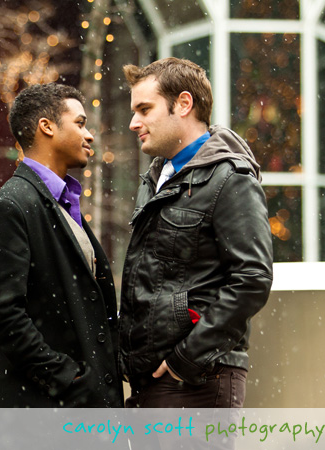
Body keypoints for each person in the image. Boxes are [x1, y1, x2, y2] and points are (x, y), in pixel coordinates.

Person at [118, 57, 273, 408]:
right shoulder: (158, 178)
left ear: (184, 104)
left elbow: (252, 278)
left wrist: (183, 361)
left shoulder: (230, 178)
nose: (133, 122)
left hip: (198, 382)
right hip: (153, 382)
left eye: (144, 109)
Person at [0, 83, 123, 408]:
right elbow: (1, 313)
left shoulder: (60, 204)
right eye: (81, 123)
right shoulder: (14, 205)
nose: (90, 136)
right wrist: (66, 378)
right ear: (47, 126)